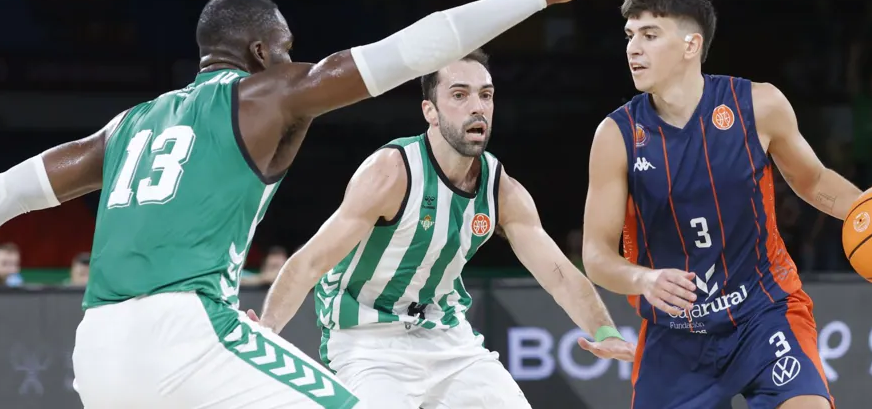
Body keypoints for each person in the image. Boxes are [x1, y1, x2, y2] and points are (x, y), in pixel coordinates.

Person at [0, 0, 633, 409]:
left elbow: (5, 192)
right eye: (286, 51)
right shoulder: (266, 93)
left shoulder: (124, 128)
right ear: (260, 52)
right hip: (188, 329)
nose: (293, 63)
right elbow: (410, 48)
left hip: (96, 350)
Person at [255, 49, 635, 409]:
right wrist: (267, 331)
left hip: (446, 336)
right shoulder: (391, 172)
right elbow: (309, 263)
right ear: (430, 111)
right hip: (367, 340)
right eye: (459, 94)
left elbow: (560, 276)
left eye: (486, 95)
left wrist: (606, 332)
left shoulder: (501, 188)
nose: (477, 107)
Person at [582, 0, 860, 409]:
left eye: (649, 35)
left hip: (762, 311)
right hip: (675, 334)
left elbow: (814, 182)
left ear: (691, 45)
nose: (633, 48)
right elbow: (596, 256)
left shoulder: (758, 104)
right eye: (630, 35)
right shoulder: (616, 135)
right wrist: (644, 278)